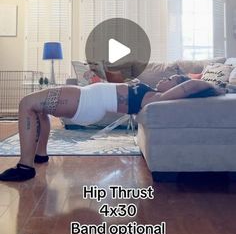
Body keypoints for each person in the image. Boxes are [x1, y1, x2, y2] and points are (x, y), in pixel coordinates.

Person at [0, 75, 225, 181]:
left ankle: (25, 166)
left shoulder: (160, 97)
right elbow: (188, 86)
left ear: (177, 87)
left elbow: (194, 85)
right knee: (39, 109)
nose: (166, 78)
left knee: (26, 103)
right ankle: (39, 156)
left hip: (86, 101)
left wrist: (217, 86)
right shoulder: (156, 93)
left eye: (173, 78)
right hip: (87, 100)